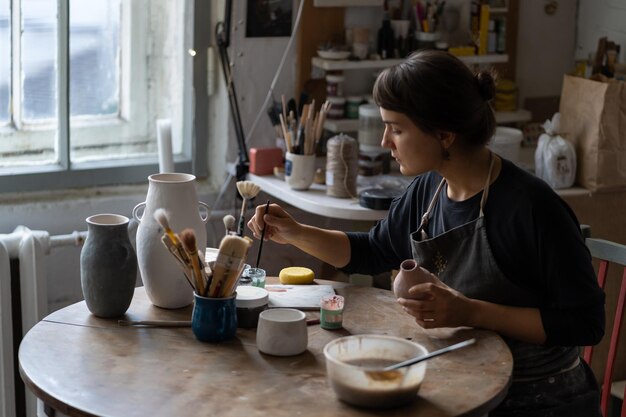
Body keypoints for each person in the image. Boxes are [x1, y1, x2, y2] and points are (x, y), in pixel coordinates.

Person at [247, 50, 605, 416]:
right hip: (465, 377)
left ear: (444, 134)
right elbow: (373, 251)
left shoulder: (530, 208)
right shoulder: (428, 190)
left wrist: (469, 311)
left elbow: (585, 324)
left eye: (397, 129)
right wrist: (295, 232)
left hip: (539, 399)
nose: (386, 140)